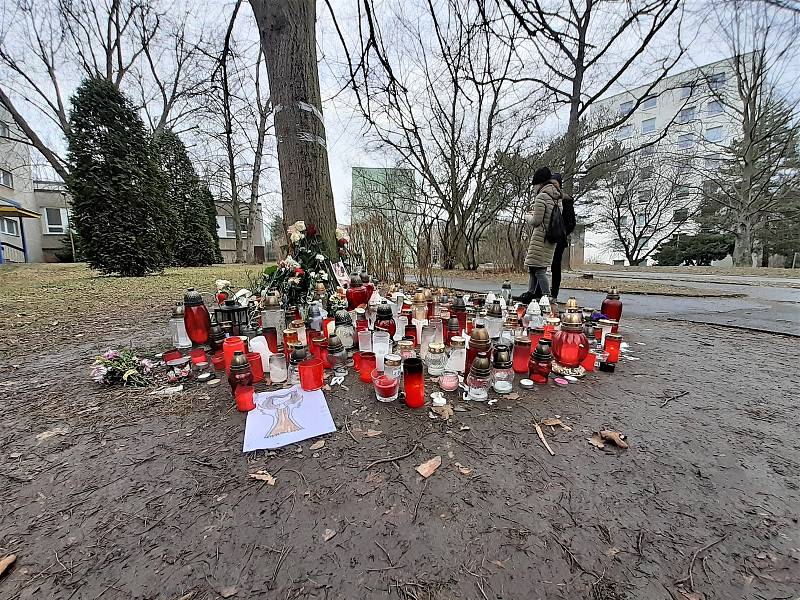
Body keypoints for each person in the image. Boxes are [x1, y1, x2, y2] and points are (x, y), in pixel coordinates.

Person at [521, 166, 563, 303]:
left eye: (534, 185)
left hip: (540, 238)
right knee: (534, 268)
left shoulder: (541, 197)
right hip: (551, 238)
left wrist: (527, 216)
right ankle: (531, 293)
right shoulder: (557, 197)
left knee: (538, 270)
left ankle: (547, 297)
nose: (533, 188)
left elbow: (536, 221)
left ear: (539, 183)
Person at [550, 172, 576, 303]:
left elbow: (571, 222)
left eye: (555, 184)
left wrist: (562, 232)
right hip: (547, 238)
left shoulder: (566, 201)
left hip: (559, 239)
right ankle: (538, 292)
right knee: (540, 266)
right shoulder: (548, 197)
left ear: (559, 185)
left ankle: (554, 294)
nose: (553, 186)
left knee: (555, 266)